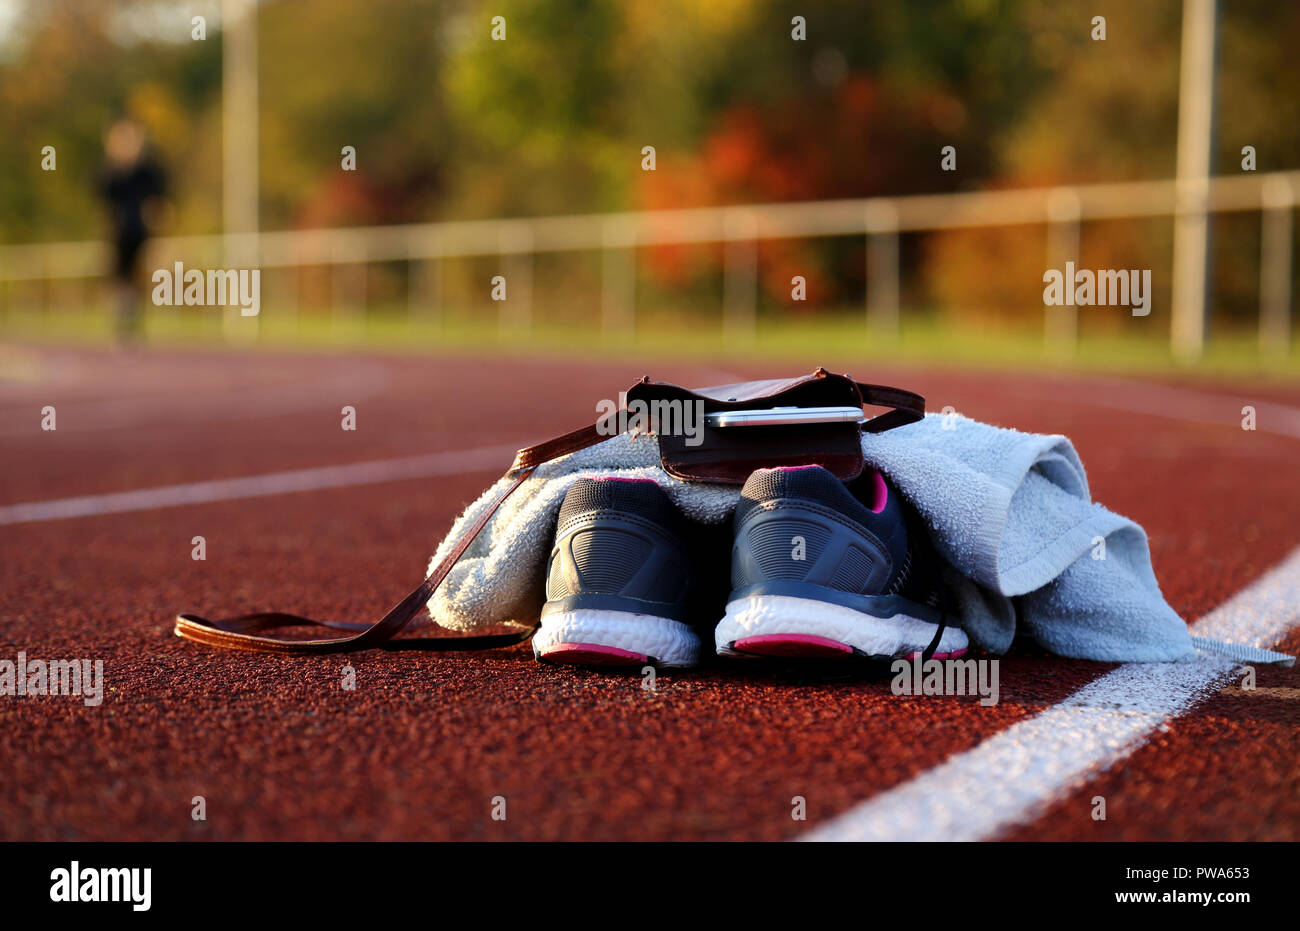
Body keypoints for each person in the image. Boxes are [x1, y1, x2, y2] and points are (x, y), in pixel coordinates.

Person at [98, 118, 167, 344]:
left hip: (141, 232)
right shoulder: (112, 172)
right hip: (118, 232)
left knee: (137, 279)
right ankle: (122, 325)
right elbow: (102, 192)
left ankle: (132, 325)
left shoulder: (147, 171)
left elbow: (159, 199)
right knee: (120, 279)